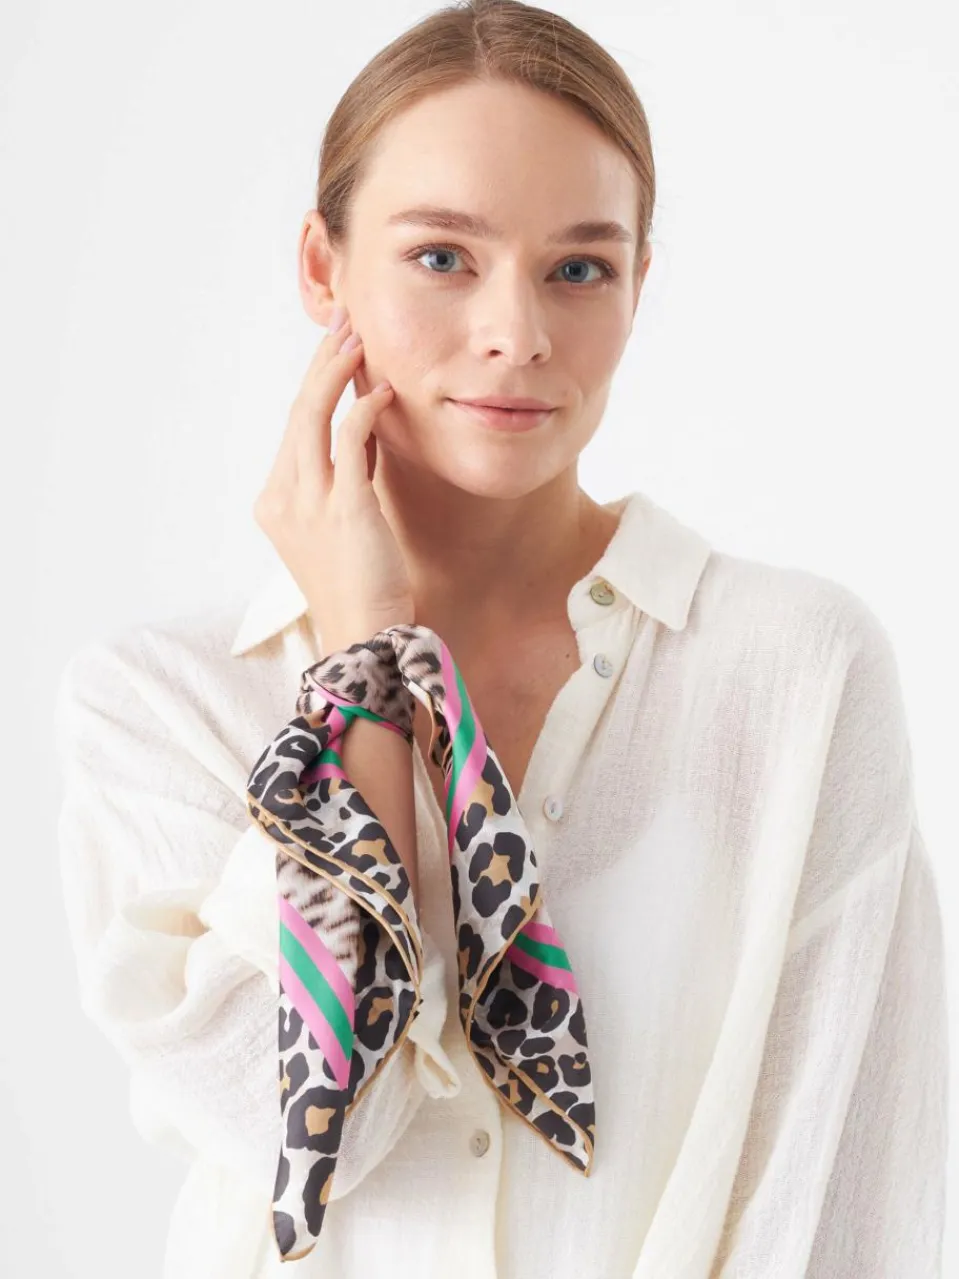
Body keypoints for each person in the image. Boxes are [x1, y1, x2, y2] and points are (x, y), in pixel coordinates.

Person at [54, 1, 948, 1276]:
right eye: (441, 257)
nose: (515, 333)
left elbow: (847, 1191)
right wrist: (361, 666)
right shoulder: (162, 703)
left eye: (578, 269)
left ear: (638, 285)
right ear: (321, 267)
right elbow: (302, 1128)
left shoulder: (796, 675)